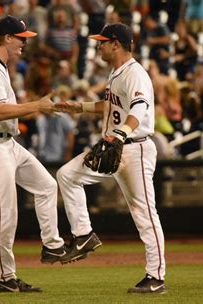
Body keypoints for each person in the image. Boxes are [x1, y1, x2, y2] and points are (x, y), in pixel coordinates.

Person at [55, 23, 167, 294]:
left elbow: (139, 107)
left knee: (144, 214)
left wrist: (119, 134)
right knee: (67, 175)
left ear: (116, 44)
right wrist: (79, 107)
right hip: (116, 145)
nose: (99, 45)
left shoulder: (135, 74)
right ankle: (84, 235)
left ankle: (156, 277)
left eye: (103, 42)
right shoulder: (117, 73)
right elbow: (114, 106)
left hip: (134, 147)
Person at [0, 15, 67, 293]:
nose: (24, 43)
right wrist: (37, 106)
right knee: (6, 212)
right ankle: (5, 278)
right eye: (21, 39)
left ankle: (52, 246)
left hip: (8, 143)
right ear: (7, 38)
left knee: (47, 186)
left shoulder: (1, 67)